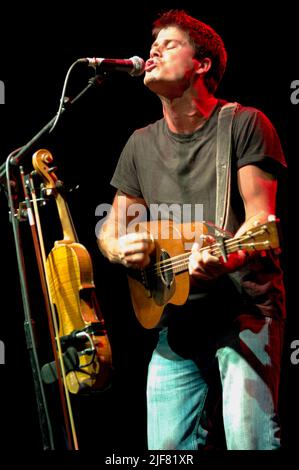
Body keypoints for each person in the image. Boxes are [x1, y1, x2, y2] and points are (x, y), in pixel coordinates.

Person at [97, 9, 287, 450]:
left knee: (250, 441)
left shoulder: (244, 124)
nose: (153, 50)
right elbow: (113, 227)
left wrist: (227, 259)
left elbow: (261, 222)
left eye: (170, 43)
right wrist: (117, 249)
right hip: (176, 321)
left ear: (202, 64)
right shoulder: (140, 143)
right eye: (153, 44)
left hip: (244, 312)